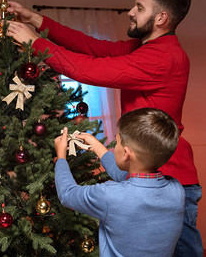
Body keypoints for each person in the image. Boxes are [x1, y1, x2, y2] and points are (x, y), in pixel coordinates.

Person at [1, 0, 202, 256]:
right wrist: (38, 20)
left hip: (166, 173)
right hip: (143, 171)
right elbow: (93, 47)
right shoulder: (145, 49)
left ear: (161, 18)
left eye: (139, 8)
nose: (131, 11)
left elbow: (90, 70)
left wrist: (35, 43)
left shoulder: (163, 57)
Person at [54, 108, 184, 256]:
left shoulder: (110, 195)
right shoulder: (177, 190)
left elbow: (67, 194)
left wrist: (61, 157)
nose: (115, 145)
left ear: (126, 154)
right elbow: (130, 179)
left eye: (117, 142)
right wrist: (97, 146)